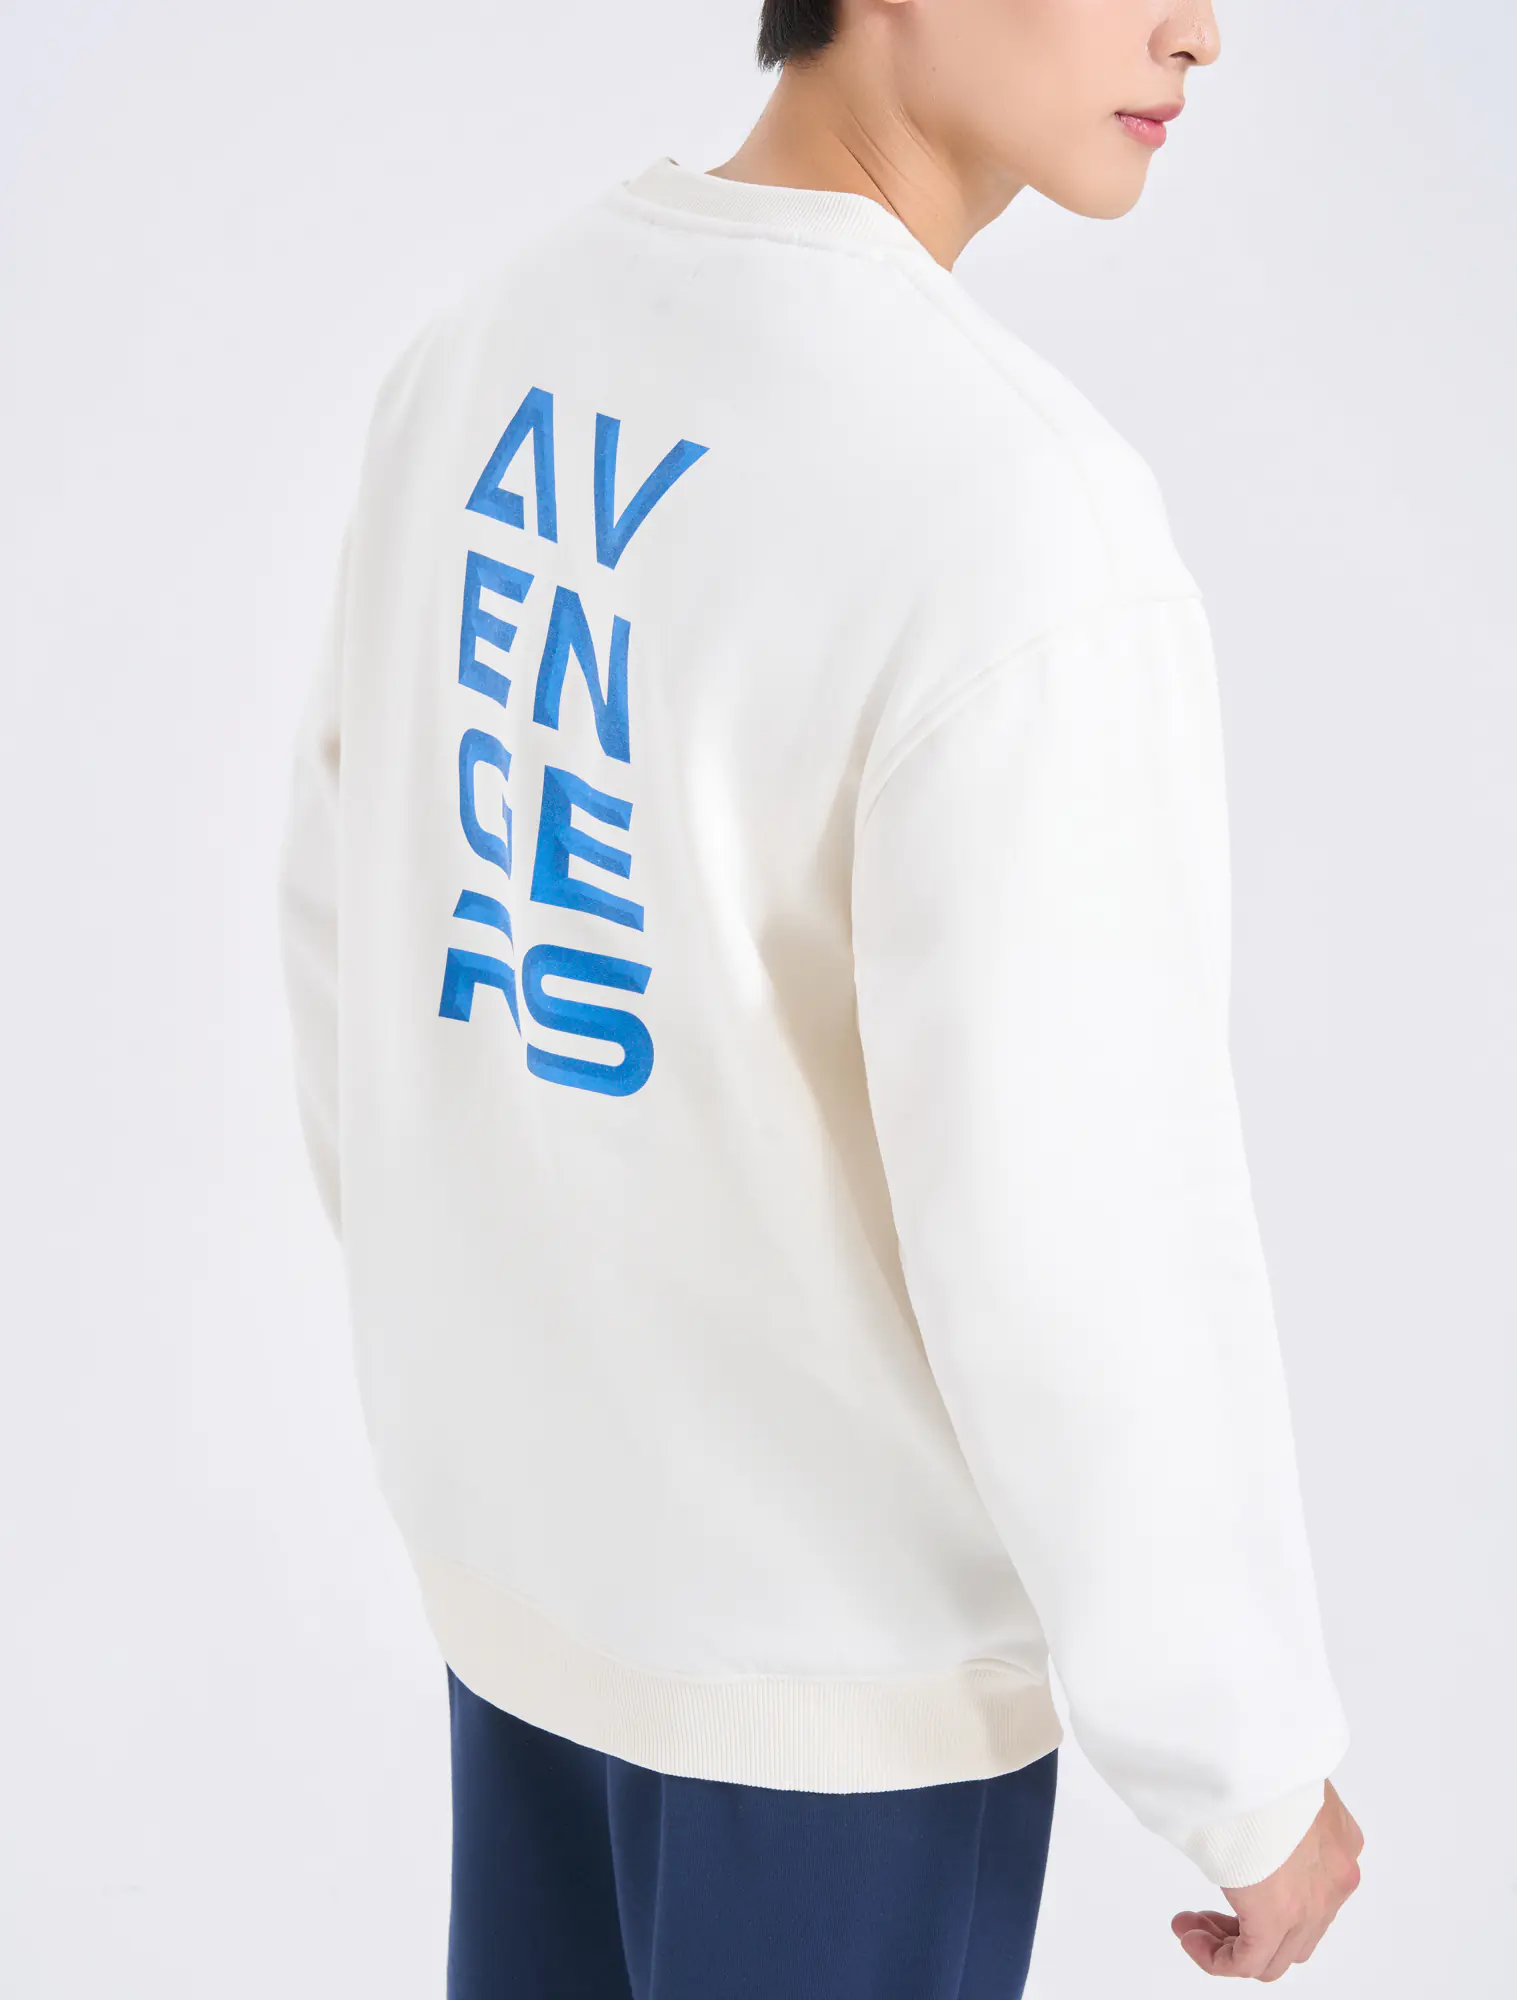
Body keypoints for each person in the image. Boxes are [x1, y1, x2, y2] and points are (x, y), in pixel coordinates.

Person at [276, 0, 1366, 1990]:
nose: (1198, 33)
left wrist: (494, 1383)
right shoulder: (1009, 518)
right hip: (832, 1695)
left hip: (529, 1594)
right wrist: (1242, 1759)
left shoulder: (497, 340)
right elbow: (1075, 1210)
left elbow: (357, 909)